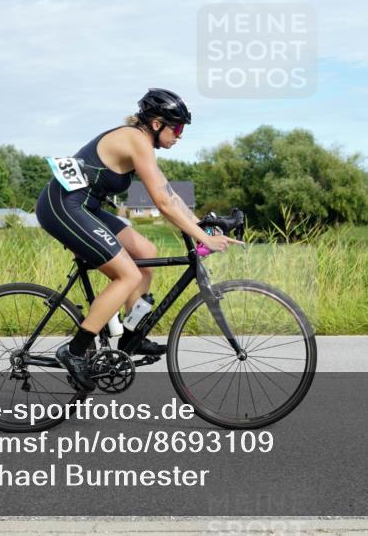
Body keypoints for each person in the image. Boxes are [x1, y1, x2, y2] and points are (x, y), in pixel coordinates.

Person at [35, 88, 243, 390]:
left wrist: (202, 226)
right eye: (178, 128)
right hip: (62, 205)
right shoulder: (136, 140)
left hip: (84, 206)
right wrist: (203, 238)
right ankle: (75, 351)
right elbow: (163, 203)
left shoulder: (141, 143)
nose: (180, 135)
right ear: (157, 124)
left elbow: (169, 194)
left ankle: (132, 334)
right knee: (127, 275)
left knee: (146, 251)